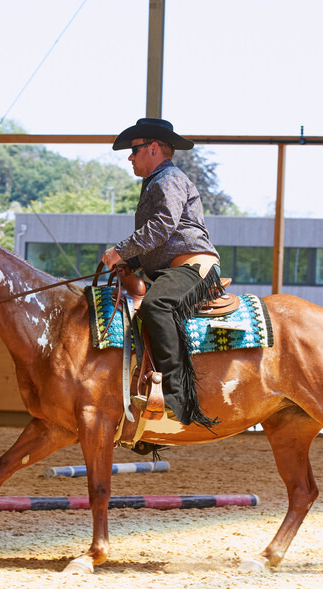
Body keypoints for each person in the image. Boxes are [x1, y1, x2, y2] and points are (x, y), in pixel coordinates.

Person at [101, 117, 223, 429]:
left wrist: (121, 251)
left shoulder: (167, 179)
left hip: (193, 266)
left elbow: (163, 224)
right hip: (171, 268)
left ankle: (177, 397)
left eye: (135, 149)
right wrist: (131, 265)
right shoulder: (157, 181)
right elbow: (160, 239)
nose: (130, 156)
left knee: (157, 305)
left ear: (154, 148)